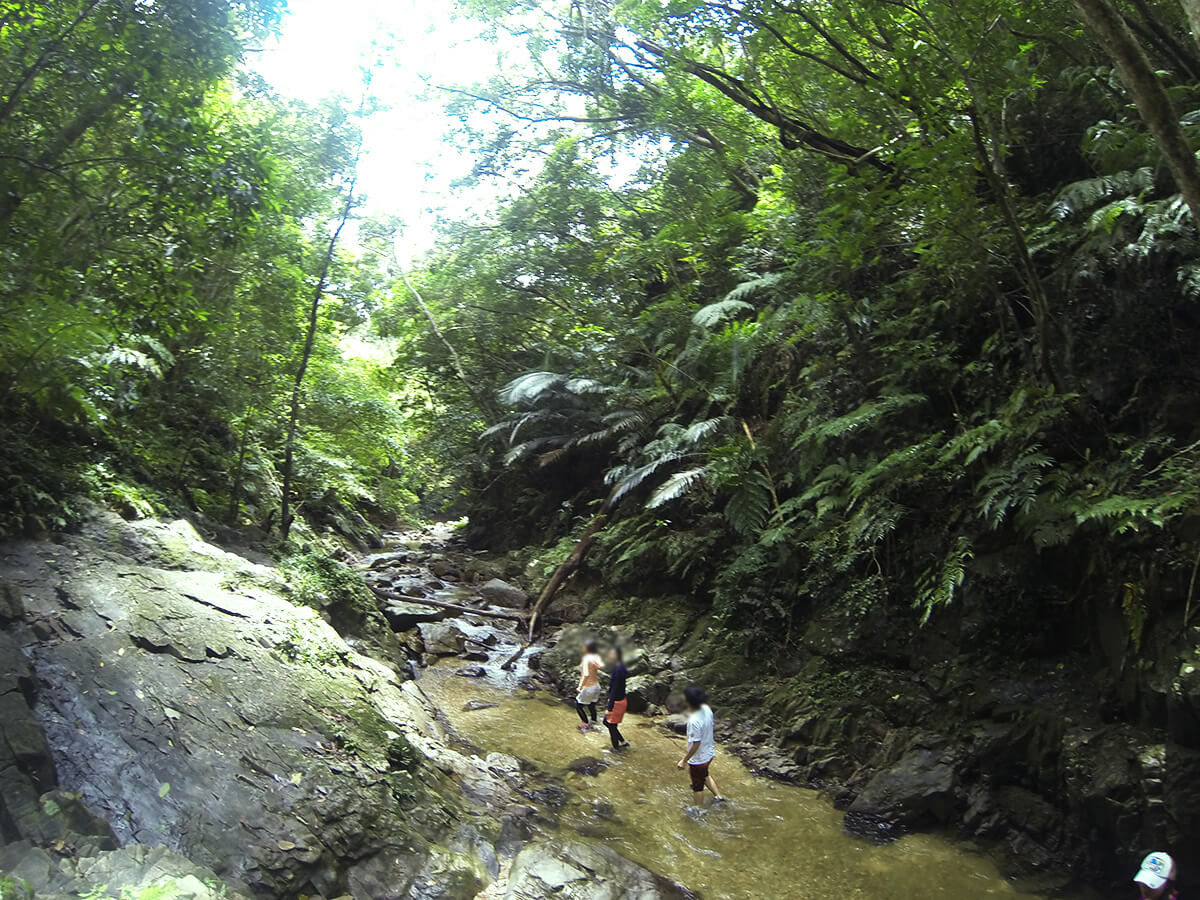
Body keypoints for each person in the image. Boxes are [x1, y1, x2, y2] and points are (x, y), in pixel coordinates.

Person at [676, 684, 724, 806]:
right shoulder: (706, 709)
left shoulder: (693, 721)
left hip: (698, 760)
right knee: (705, 774)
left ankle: (698, 811)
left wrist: (684, 760)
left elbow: (696, 744)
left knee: (697, 787)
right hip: (709, 754)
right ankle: (719, 797)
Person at [603, 645, 630, 750]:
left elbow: (615, 689)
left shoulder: (618, 669)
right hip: (619, 700)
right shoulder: (620, 666)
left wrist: (609, 708)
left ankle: (616, 749)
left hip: (617, 702)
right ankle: (622, 742)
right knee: (610, 724)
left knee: (610, 724)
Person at [574, 638, 604, 732]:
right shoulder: (596, 656)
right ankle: (594, 721)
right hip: (596, 686)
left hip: (588, 687)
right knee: (591, 705)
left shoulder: (586, 658)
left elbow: (586, 674)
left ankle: (585, 723)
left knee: (578, 706)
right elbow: (601, 666)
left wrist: (580, 687)